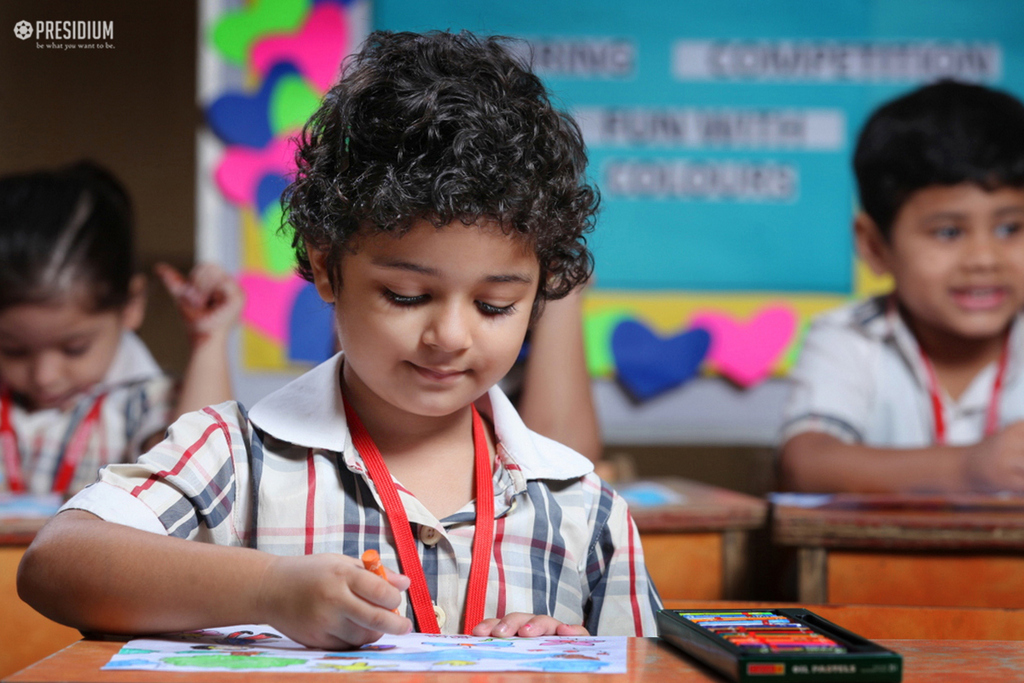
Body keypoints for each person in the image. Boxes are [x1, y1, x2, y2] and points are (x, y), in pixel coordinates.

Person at [18, 31, 661, 648]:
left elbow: (648, 668)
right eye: (406, 296)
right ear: (327, 268)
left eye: (496, 305)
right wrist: (270, 588)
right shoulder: (236, 457)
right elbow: (56, 562)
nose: (450, 336)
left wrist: (568, 655)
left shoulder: (583, 507)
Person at [779, 80, 1024, 493]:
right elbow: (804, 464)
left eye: (1010, 228)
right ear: (875, 247)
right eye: (948, 232)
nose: (985, 259)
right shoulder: (849, 339)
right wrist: (967, 470)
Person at [0, 161, 243, 496]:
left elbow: (198, 471)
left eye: (75, 348)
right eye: (12, 349)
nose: (44, 375)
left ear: (131, 306)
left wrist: (208, 340)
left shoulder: (145, 404)